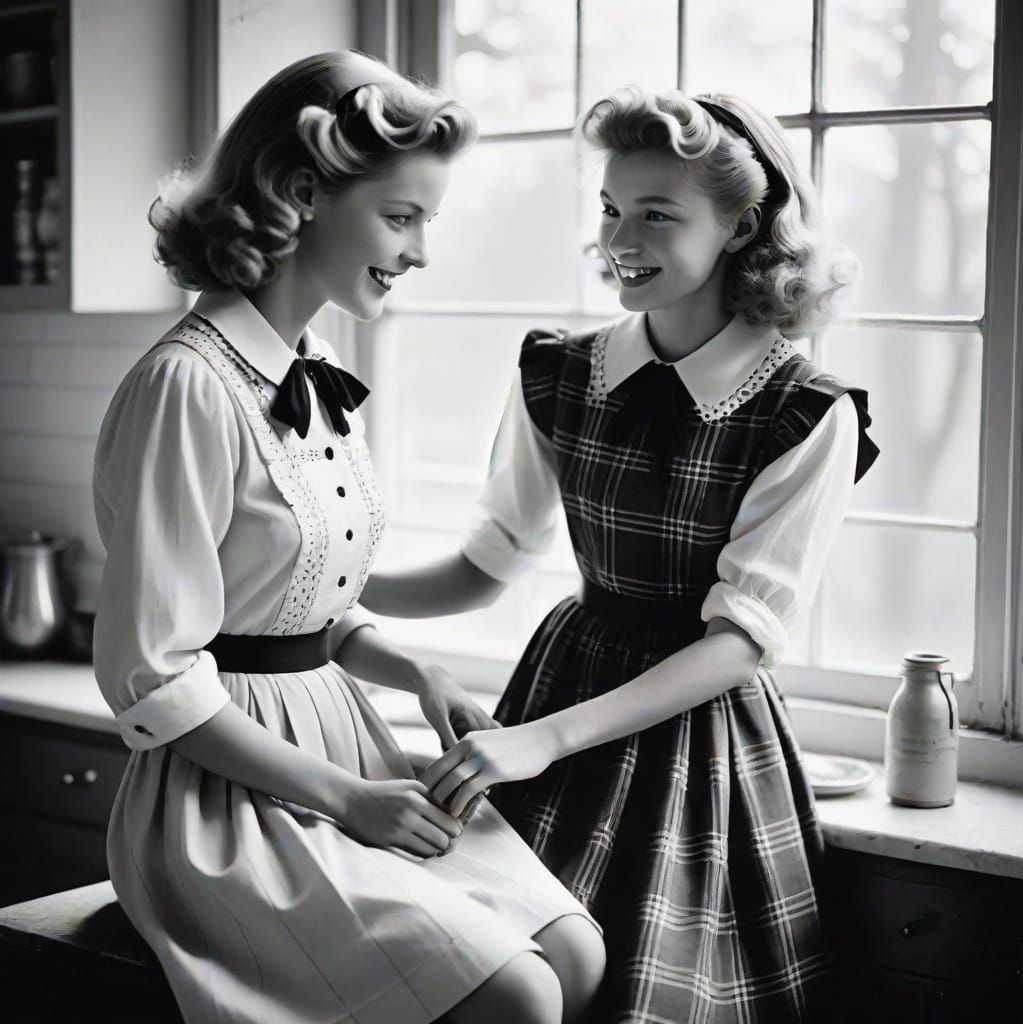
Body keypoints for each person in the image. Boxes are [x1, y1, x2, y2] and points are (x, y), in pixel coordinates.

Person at [91, 51, 605, 1024]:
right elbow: (153, 676)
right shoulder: (186, 388)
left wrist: (420, 674)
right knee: (523, 1000)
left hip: (345, 750)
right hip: (221, 798)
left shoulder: (314, 368)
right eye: (401, 217)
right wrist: (344, 798)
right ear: (301, 194)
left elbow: (302, 604)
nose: (418, 251)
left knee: (574, 952)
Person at [359, 85, 880, 1022]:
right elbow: (486, 568)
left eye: (657, 214)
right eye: (609, 209)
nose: (620, 240)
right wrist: (320, 589)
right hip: (558, 694)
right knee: (501, 980)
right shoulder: (561, 372)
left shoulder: (806, 411)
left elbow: (740, 641)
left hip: (697, 736)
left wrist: (542, 739)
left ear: (739, 225)